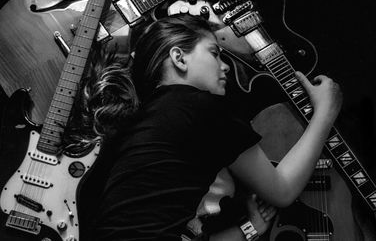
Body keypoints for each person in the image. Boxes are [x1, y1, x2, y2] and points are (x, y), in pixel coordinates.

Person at [82, 13, 342, 240]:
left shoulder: (139, 123)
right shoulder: (201, 108)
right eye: (214, 53)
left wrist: (250, 229)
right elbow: (282, 190)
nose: (225, 66)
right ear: (179, 58)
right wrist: (325, 113)